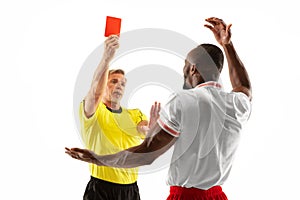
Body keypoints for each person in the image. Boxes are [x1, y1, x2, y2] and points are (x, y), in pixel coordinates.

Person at [66, 17, 252, 200]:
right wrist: (228, 45)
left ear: (193, 70)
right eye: (113, 81)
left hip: (181, 196)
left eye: (185, 66)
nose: (184, 72)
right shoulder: (238, 104)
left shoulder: (181, 100)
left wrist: (97, 159)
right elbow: (243, 86)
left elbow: (146, 154)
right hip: (218, 196)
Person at [78, 35, 160, 200]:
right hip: (101, 188)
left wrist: (149, 130)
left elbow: (142, 128)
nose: (119, 86)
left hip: (130, 190)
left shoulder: (134, 114)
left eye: (122, 83)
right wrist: (106, 59)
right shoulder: (95, 110)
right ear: (104, 84)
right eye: (113, 81)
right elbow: (95, 92)